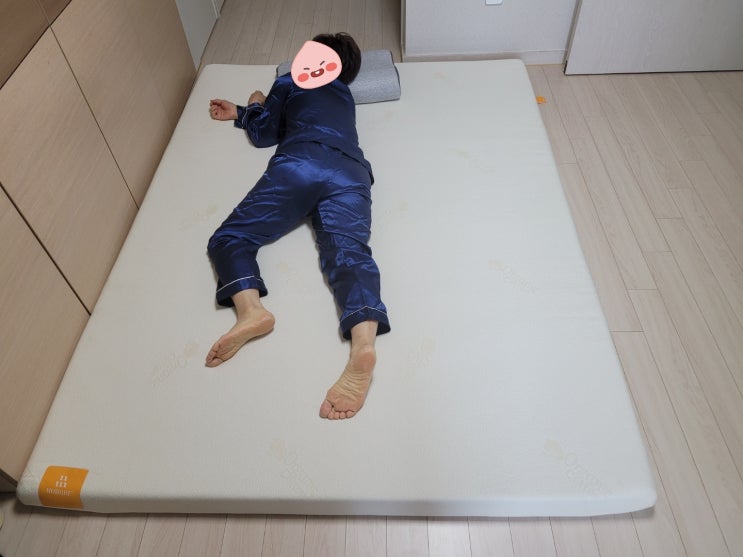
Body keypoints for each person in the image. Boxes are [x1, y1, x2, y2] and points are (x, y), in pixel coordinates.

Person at [206, 33, 390, 420]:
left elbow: (264, 133)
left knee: (231, 237)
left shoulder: (292, 79)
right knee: (350, 255)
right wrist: (240, 110)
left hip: (302, 162)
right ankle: (363, 346)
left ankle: (251, 310)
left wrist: (253, 103)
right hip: (353, 172)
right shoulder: (345, 97)